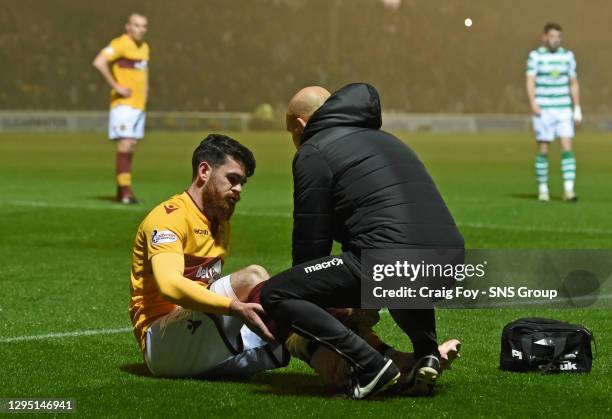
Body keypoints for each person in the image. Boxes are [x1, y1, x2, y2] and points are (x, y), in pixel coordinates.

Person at [260, 83, 464, 399]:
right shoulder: (387, 140)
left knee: (276, 293)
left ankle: (371, 364)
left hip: (390, 259)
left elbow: (311, 246)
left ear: (300, 126)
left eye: (291, 133)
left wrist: (314, 303)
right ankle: (426, 354)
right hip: (450, 261)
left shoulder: (314, 150)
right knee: (397, 271)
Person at [129, 134, 288, 377]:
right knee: (252, 277)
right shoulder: (168, 218)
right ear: (204, 171)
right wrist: (233, 307)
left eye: (242, 183)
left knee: (290, 338)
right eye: (232, 179)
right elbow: (169, 286)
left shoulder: (220, 223)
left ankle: (345, 366)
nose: (238, 190)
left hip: (196, 333)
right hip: (162, 344)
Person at [93, 13, 150, 204]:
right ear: (128, 27)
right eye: (136, 25)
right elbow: (99, 62)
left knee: (131, 145)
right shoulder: (120, 43)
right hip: (123, 104)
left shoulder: (144, 48)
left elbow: (144, 75)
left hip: (138, 105)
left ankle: (121, 190)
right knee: (126, 143)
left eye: (143, 26)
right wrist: (115, 86)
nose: (140, 29)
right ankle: (126, 192)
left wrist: (146, 94)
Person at [526, 22, 581, 202]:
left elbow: (573, 82)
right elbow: (530, 80)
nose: (555, 40)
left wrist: (577, 107)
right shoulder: (535, 56)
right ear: (544, 37)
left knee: (567, 147)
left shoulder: (567, 56)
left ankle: (569, 190)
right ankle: (543, 189)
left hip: (563, 108)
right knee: (543, 149)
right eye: (552, 36)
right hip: (544, 109)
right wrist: (533, 101)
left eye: (558, 37)